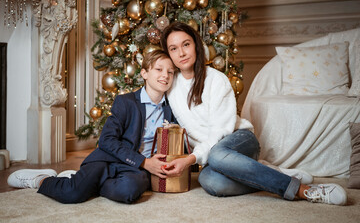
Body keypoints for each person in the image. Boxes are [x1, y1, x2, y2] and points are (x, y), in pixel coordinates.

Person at [159, 21, 347, 206]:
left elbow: (219, 134)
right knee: (210, 182)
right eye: (173, 48)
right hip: (214, 156)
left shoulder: (216, 80)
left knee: (217, 154)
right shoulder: (170, 85)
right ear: (168, 54)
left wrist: (190, 159)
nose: (181, 53)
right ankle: (269, 173)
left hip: (239, 140)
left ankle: (303, 190)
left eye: (186, 44)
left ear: (196, 45)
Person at [7, 50, 177, 204]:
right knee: (72, 194)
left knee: (129, 192)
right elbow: (106, 141)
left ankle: (84, 181)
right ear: (144, 73)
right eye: (159, 69)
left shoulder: (171, 109)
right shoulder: (126, 102)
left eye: (170, 72)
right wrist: (144, 161)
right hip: (108, 159)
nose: (165, 75)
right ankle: (42, 180)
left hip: (135, 169)